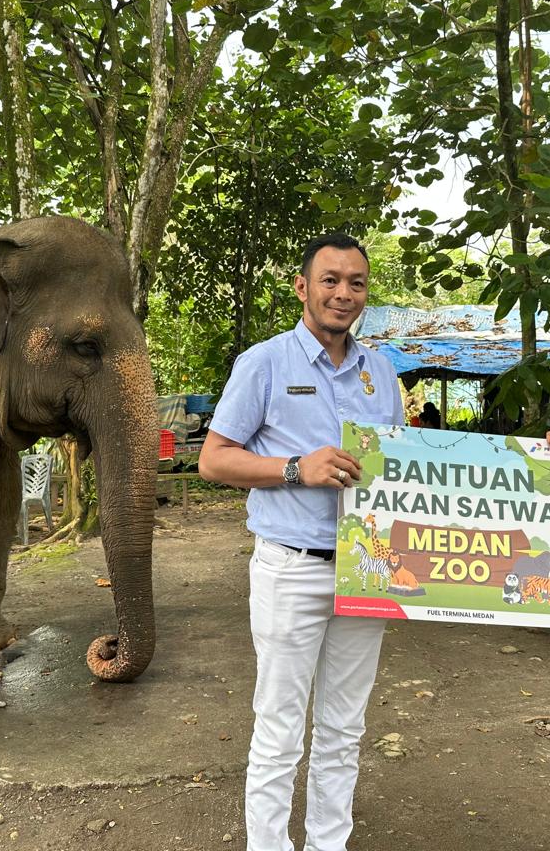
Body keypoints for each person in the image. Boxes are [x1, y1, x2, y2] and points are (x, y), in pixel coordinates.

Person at [199, 233, 404, 851]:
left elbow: (405, 466)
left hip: (366, 570)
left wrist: (530, 472)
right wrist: (296, 467)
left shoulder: (381, 370)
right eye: (331, 280)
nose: (343, 294)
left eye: (356, 283)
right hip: (291, 567)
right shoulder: (264, 363)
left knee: (344, 727)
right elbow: (213, 460)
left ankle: (327, 844)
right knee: (280, 725)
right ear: (302, 287)